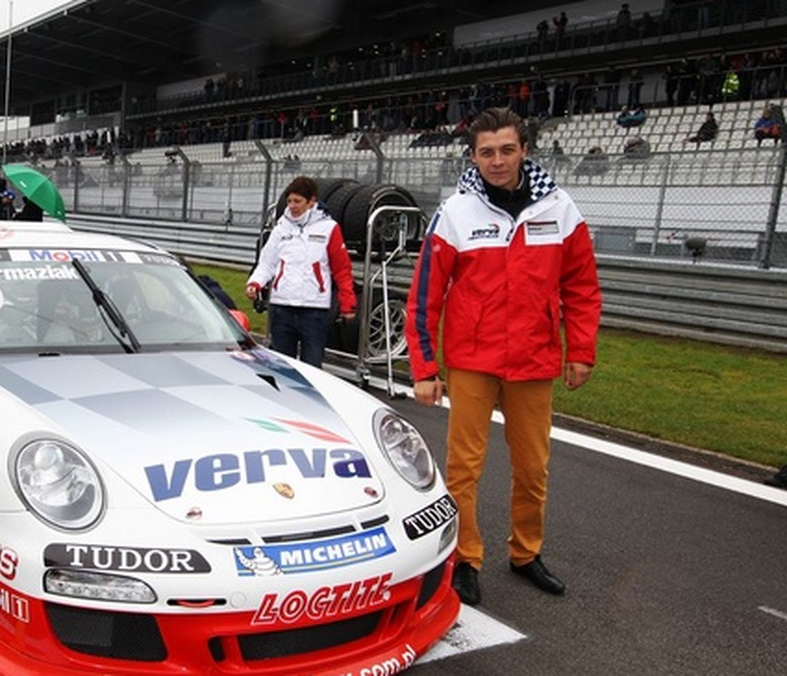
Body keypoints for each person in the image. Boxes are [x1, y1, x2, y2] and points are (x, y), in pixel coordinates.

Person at [404, 107, 601, 607]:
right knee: (463, 469)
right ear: (473, 156)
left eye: (507, 150)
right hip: (472, 360)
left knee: (534, 467)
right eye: (487, 152)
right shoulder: (456, 212)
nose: (497, 160)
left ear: (525, 150)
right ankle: (466, 558)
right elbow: (425, 293)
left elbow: (581, 285)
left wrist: (580, 350)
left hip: (534, 360)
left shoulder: (560, 208)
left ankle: (525, 552)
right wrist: (425, 369)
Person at [244, 175, 356, 368]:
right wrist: (255, 283)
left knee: (312, 367)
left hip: (314, 310)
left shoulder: (329, 228)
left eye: (298, 201)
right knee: (281, 366)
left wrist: (347, 304)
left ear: (311, 201)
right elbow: (267, 263)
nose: (293, 206)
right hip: (282, 307)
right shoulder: (280, 228)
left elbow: (342, 270)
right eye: (289, 201)